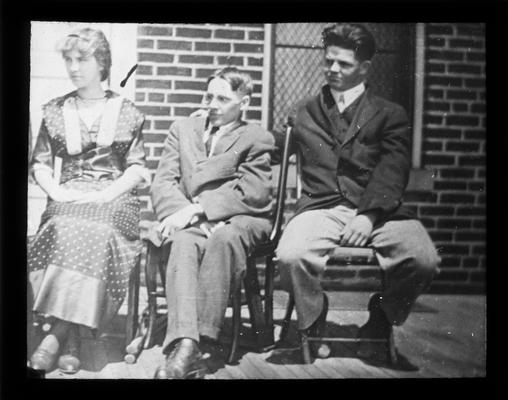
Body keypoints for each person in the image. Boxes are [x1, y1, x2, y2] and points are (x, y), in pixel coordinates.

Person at [274, 23, 440, 360]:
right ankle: (314, 314)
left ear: (364, 67)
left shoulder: (390, 114)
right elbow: (272, 148)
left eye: (344, 64)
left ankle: (380, 318)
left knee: (423, 261)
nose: (333, 69)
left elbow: (393, 170)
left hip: (380, 209)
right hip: (321, 207)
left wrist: (367, 216)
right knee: (290, 255)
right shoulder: (302, 110)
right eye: (329, 60)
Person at [28, 27, 150, 374]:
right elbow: (39, 163)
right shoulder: (55, 110)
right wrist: (58, 192)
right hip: (68, 194)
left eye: (82, 59)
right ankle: (73, 338)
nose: (73, 67)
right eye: (68, 60)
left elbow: (137, 166)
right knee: (64, 224)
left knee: (97, 229)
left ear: (101, 62)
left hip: (115, 199)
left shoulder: (126, 111)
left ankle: (58, 336)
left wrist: (105, 194)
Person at [150, 67, 274, 379]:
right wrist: (185, 213)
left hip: (242, 218)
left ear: (243, 103)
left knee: (224, 238)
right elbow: (164, 182)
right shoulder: (183, 129)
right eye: (209, 97)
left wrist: (200, 210)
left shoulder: (256, 137)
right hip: (192, 219)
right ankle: (188, 341)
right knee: (183, 240)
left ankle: (202, 341)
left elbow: (254, 193)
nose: (212, 105)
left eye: (223, 98)